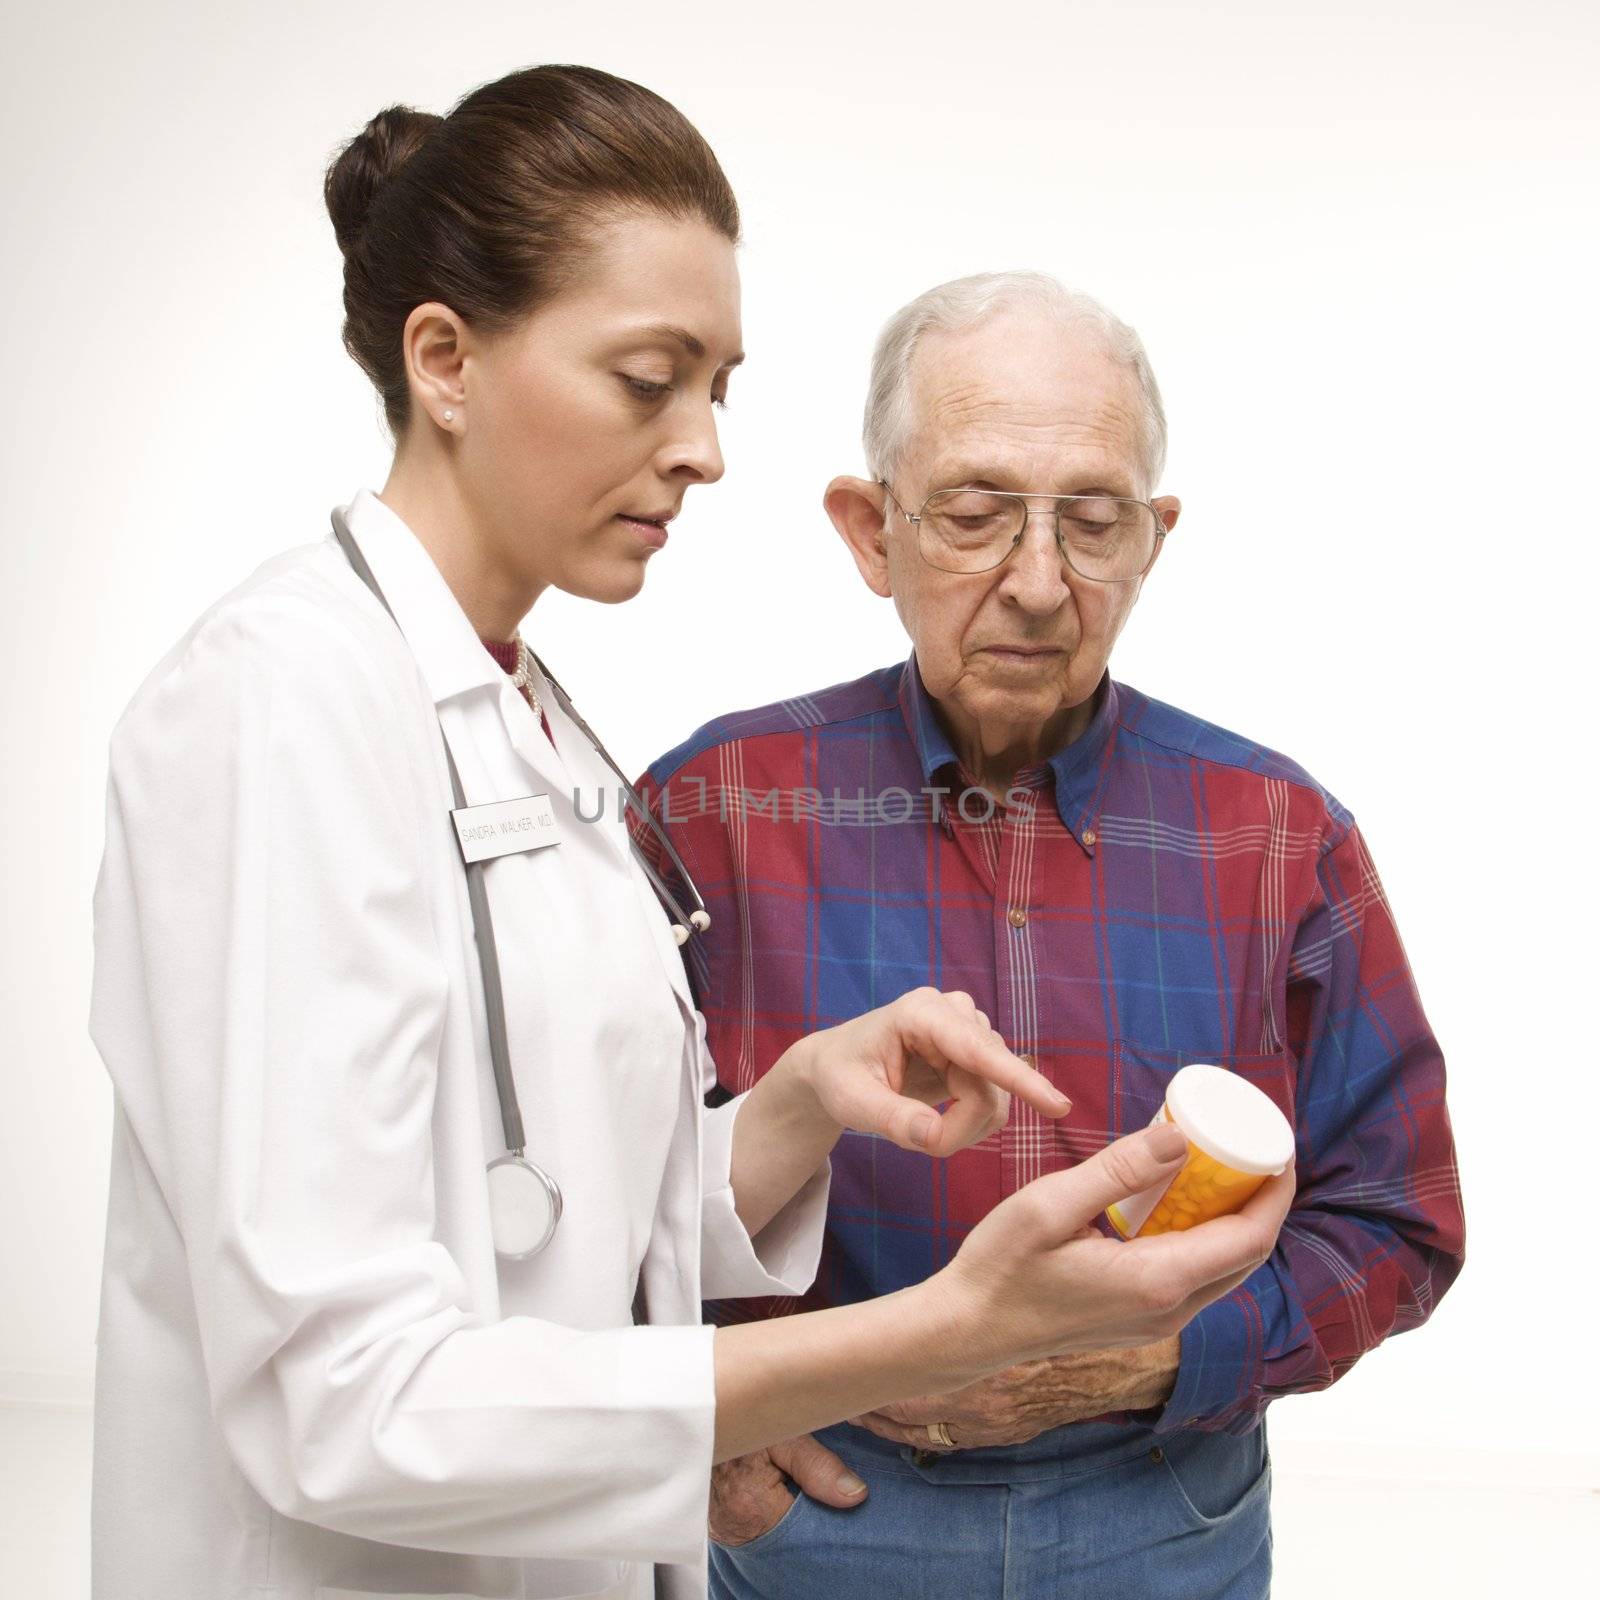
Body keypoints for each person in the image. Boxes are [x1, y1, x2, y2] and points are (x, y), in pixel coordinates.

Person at [87, 73, 1294, 1600]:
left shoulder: (521, 717)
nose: (707, 448)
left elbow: (543, 1214)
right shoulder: (277, 709)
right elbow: (348, 1399)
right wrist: (953, 1328)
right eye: (650, 379)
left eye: (718, 385)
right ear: (445, 360)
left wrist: (790, 1107)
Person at [635, 271, 1466, 1598]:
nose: (1037, 583)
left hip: (1164, 1508)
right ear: (870, 531)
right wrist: (704, 1436)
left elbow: (1400, 1221)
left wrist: (1156, 1362)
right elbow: (592, 1209)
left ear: (1153, 539)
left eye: (1092, 521)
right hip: (822, 1514)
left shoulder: (1278, 833)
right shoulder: (710, 810)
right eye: (972, 514)